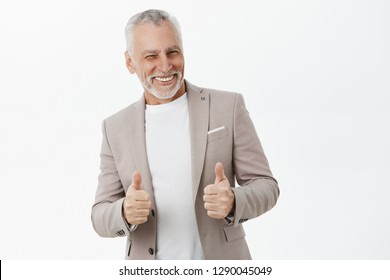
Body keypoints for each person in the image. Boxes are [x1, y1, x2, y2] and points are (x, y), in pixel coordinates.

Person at [91, 9, 279, 260]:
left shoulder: (228, 107)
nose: (165, 66)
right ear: (130, 62)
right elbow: (99, 215)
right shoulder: (115, 128)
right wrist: (124, 211)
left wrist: (234, 201)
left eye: (172, 51)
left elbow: (266, 186)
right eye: (150, 56)